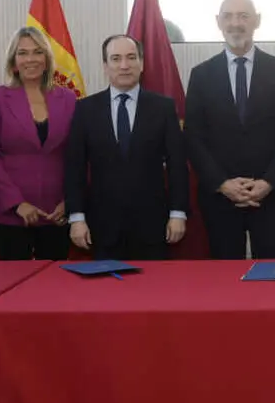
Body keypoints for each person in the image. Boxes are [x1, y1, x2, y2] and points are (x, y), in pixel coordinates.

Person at [184, 0, 275, 260]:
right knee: (224, 282)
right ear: (218, 22)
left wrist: (269, 181)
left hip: (270, 197)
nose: (235, 23)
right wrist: (222, 183)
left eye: (243, 16)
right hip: (220, 198)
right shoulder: (201, 75)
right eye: (228, 16)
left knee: (272, 277)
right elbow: (193, 137)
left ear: (257, 21)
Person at [65, 35, 187, 260]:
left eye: (131, 57)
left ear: (142, 63)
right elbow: (75, 169)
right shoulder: (85, 110)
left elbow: (177, 166)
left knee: (154, 292)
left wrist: (178, 213)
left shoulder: (163, 108)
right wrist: (76, 218)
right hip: (101, 227)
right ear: (105, 66)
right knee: (106, 294)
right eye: (116, 58)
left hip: (153, 225)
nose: (124, 65)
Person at [0, 26, 77, 260]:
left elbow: (78, 154)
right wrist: (16, 203)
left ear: (47, 59)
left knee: (55, 289)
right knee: (13, 289)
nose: (30, 59)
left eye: (37, 52)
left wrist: (70, 201)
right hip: (10, 215)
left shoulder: (68, 99)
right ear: (13, 61)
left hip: (57, 214)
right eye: (23, 53)